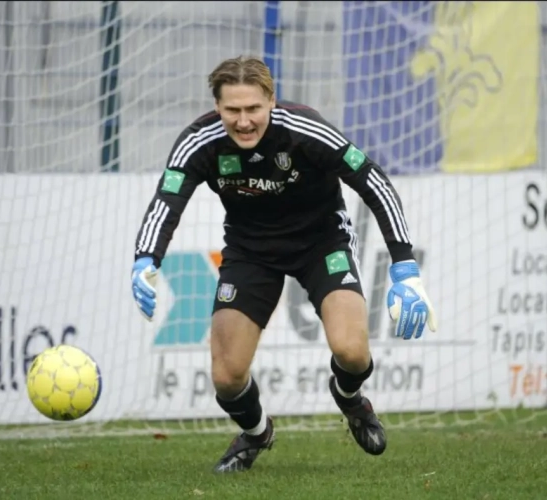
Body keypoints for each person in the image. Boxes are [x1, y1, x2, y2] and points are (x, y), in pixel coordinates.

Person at [130, 56, 437, 473]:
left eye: (253, 109)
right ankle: (256, 434)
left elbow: (372, 180)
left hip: (321, 242)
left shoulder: (304, 129)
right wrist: (145, 259)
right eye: (232, 110)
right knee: (226, 376)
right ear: (216, 107)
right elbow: (168, 200)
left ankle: (350, 400)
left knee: (352, 351)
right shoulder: (198, 141)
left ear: (271, 101)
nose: (243, 121)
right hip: (250, 251)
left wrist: (405, 266)